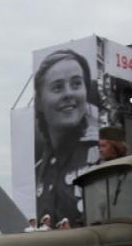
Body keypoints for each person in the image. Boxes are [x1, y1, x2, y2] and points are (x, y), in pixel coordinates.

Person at [33, 49, 100, 227]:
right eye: (57, 87)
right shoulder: (39, 170)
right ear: (39, 102)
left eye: (77, 84)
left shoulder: (102, 154)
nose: (69, 94)